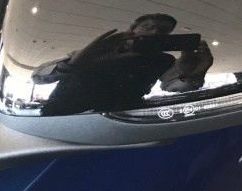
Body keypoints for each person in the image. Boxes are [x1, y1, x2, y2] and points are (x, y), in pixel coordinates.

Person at [33, 14, 179, 115]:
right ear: (131, 30)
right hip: (61, 115)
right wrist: (74, 62)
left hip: (122, 119)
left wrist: (188, 69)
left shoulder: (163, 60)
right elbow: (38, 77)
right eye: (148, 27)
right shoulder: (92, 52)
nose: (155, 33)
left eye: (163, 31)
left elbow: (173, 86)